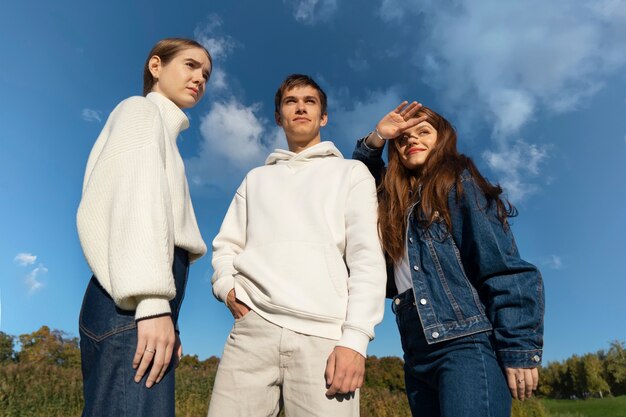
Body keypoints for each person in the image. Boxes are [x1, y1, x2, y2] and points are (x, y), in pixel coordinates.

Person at [208, 74, 386, 417]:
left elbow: (367, 259)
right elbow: (226, 245)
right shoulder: (255, 179)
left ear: (323, 117)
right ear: (279, 117)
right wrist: (227, 287)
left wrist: (355, 340)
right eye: (291, 101)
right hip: (252, 328)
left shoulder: (352, 174)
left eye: (310, 101)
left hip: (326, 338)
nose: (300, 106)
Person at [352, 102, 545, 417]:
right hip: (415, 351)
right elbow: (360, 174)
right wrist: (378, 136)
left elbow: (502, 267)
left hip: (465, 344)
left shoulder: (457, 181)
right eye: (402, 138)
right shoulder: (393, 203)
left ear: (440, 138)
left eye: (423, 132)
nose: (411, 140)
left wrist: (519, 347)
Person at [77, 38, 212, 416]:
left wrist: (169, 317)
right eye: (190, 65)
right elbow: (134, 201)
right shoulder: (140, 111)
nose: (200, 78)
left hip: (138, 301)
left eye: (205, 73)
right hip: (131, 303)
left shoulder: (161, 133)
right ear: (156, 67)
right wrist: (152, 304)